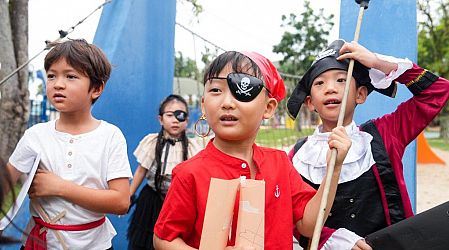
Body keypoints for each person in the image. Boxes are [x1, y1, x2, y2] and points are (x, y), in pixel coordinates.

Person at [151, 50, 362, 250]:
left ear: (268, 108)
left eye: (242, 89)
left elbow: (307, 224)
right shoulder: (189, 173)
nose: (227, 102)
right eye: (216, 90)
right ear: (204, 105)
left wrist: (333, 170)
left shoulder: (280, 163)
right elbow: (163, 239)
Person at [286, 39, 449, 248]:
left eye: (341, 80)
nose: (330, 88)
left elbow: (437, 91)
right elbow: (293, 216)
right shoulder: (297, 156)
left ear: (361, 94)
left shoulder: (385, 133)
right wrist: (332, 239)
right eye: (319, 83)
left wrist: (379, 63)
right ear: (310, 102)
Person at [6, 39, 132, 249]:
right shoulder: (35, 136)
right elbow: (5, 184)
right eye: (51, 76)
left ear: (96, 88)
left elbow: (120, 202)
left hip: (95, 245)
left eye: (70, 76)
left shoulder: (110, 136)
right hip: (40, 243)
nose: (58, 84)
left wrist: (60, 187)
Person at [127, 94, 201, 250]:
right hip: (152, 201)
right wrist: (128, 195)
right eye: (169, 115)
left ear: (186, 121)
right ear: (160, 119)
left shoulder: (194, 147)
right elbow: (141, 171)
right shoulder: (152, 142)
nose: (175, 120)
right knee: (146, 242)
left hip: (180, 204)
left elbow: (198, 179)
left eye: (180, 115)